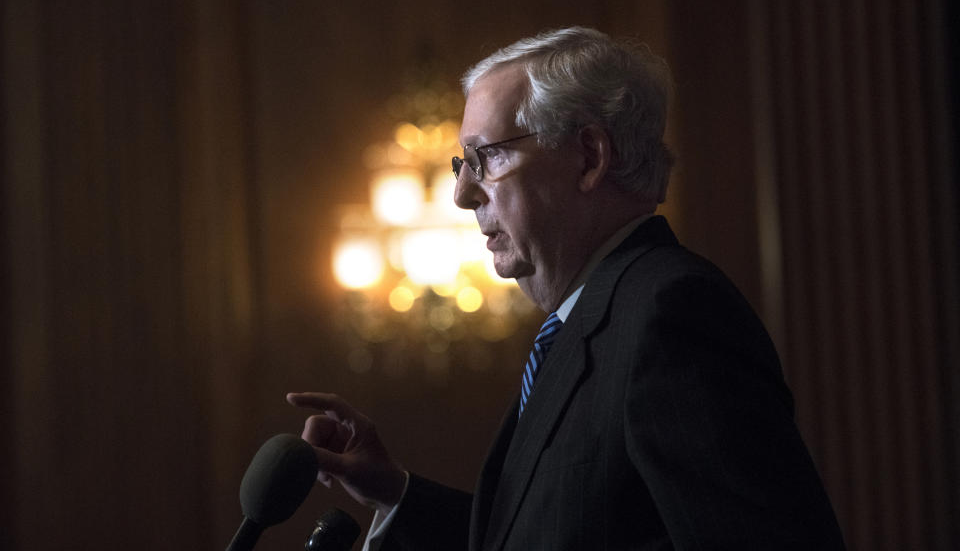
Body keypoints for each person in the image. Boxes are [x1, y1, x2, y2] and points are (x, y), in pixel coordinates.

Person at [287, 27, 846, 550]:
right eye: (462, 163)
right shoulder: (584, 323)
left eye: (488, 157)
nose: (460, 194)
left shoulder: (671, 316)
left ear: (588, 157)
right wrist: (395, 492)